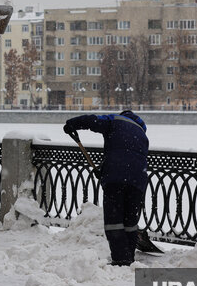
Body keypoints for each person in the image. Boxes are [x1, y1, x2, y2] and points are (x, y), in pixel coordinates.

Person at [63, 110, 149, 266]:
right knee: (130, 221)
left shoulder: (115, 120)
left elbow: (92, 120)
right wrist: (103, 171)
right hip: (138, 180)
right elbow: (127, 155)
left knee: (114, 220)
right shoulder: (142, 134)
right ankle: (129, 257)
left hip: (116, 177)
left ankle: (120, 259)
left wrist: (72, 124)